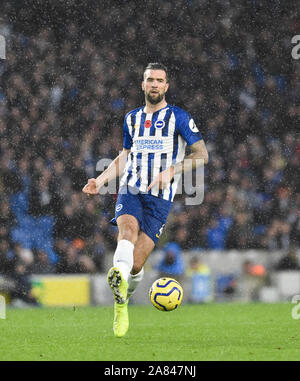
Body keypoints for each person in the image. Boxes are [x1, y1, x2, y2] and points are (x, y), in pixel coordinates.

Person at [82, 62, 208, 337]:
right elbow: (125, 156)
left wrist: (171, 171)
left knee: (136, 264)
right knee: (127, 229)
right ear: (143, 84)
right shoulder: (131, 119)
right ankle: (119, 285)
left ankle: (122, 297)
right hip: (131, 187)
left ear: (166, 86)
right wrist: (100, 181)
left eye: (159, 80)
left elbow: (202, 155)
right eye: (149, 79)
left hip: (161, 198)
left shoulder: (180, 118)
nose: (154, 84)